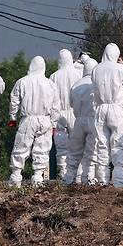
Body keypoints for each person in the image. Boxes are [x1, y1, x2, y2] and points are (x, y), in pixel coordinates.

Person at [8, 56, 60, 187]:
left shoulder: (22, 82)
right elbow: (56, 106)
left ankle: (16, 176)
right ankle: (38, 177)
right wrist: (54, 123)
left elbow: (14, 101)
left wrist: (12, 117)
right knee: (42, 149)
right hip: (45, 119)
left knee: (21, 147)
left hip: (28, 119)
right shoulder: (50, 84)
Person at [92, 43, 123, 187]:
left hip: (100, 109)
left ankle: (102, 179)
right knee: (117, 142)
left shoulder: (96, 69)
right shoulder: (120, 68)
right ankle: (118, 178)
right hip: (116, 108)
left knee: (102, 144)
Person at [63, 58, 99, 185]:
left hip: (78, 120)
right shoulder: (97, 84)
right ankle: (88, 178)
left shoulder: (76, 84)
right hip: (93, 120)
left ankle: (69, 178)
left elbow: (71, 104)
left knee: (74, 151)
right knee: (91, 151)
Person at [49, 49, 82, 179]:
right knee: (77, 144)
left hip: (59, 113)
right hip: (74, 112)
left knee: (61, 146)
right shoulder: (77, 74)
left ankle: (63, 173)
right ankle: (78, 174)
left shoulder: (54, 76)